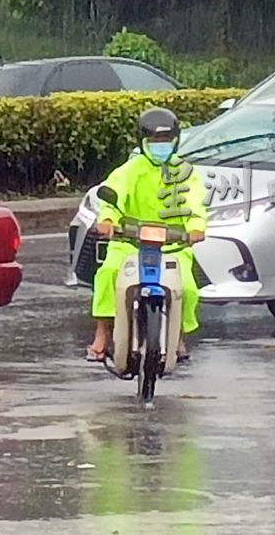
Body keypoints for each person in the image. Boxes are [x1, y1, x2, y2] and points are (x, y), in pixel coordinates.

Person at [86, 107, 207, 362]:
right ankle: (102, 333)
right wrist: (107, 220)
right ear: (142, 142)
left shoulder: (185, 172)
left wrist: (196, 227)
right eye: (154, 141)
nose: (160, 146)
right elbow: (113, 194)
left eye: (165, 141)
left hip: (173, 245)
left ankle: (179, 335)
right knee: (107, 274)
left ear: (175, 141)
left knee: (187, 287)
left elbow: (195, 203)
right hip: (129, 243)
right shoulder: (129, 170)